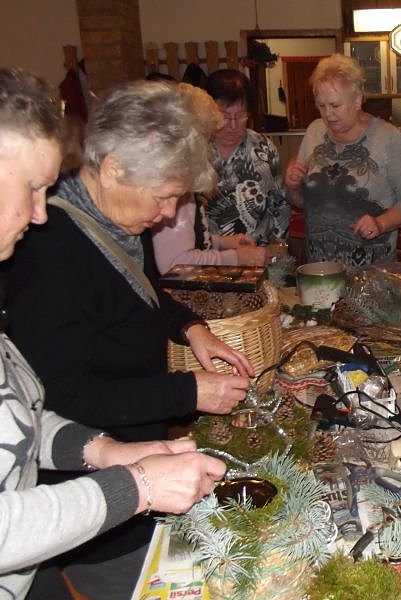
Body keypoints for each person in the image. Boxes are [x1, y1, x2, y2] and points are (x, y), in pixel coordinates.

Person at [5, 79, 254, 599]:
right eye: (164, 196)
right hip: (83, 509)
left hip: (119, 466)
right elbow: (64, 395)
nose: (167, 214)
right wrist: (188, 392)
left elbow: (140, 294)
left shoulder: (115, 219)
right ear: (114, 167)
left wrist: (191, 328)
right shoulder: (49, 256)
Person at [284, 53, 401, 266]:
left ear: (357, 100)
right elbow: (303, 203)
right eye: (321, 106)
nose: (328, 114)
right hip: (320, 268)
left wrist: (380, 223)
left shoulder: (387, 138)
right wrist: (292, 186)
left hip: (371, 271)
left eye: (335, 105)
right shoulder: (314, 131)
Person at [152, 83, 271, 273]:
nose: (208, 147)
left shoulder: (178, 175)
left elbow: (186, 240)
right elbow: (175, 264)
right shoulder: (173, 187)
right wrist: (235, 257)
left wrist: (220, 242)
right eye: (206, 137)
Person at [203, 69, 290, 246]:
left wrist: (279, 249)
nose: (233, 125)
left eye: (241, 116)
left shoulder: (263, 147)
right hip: (208, 262)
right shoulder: (194, 149)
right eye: (224, 116)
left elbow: (280, 203)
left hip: (260, 258)